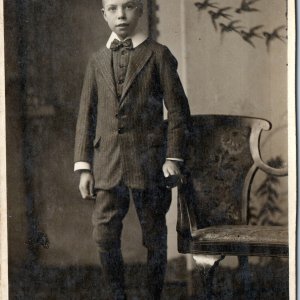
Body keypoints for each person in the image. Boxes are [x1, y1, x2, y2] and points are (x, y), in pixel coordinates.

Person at [74, 0, 191, 298]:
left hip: (149, 163)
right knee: (104, 234)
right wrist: (84, 166)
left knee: (154, 236)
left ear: (140, 11)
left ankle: (153, 295)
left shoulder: (158, 55)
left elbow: (178, 112)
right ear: (104, 14)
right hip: (107, 163)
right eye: (113, 8)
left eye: (128, 7)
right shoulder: (96, 60)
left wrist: (172, 157)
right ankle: (117, 295)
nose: (121, 15)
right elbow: (86, 116)